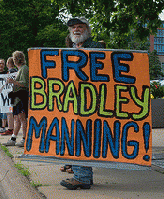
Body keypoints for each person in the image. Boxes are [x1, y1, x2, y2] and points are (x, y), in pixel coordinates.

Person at [60, 17, 105, 190]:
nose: (76, 30)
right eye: (73, 27)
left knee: (82, 138)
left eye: (80, 27)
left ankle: (82, 177)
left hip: (90, 103)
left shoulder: (96, 47)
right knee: (74, 137)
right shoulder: (68, 49)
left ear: (87, 30)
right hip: (73, 102)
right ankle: (82, 175)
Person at [3, 51, 29, 147]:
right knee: (17, 119)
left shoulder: (24, 69)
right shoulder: (20, 69)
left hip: (21, 97)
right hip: (17, 98)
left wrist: (14, 82)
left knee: (22, 119)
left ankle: (24, 139)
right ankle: (13, 138)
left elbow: (26, 83)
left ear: (16, 59)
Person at [0, 57, 18, 136]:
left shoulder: (11, 72)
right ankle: (12, 128)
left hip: (10, 95)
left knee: (9, 112)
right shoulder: (16, 71)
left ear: (8, 64)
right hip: (15, 94)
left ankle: (10, 129)